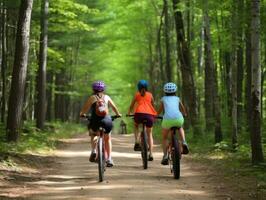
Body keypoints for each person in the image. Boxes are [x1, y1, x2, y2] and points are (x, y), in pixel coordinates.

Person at [80, 81, 122, 167]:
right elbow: (114, 107)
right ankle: (109, 158)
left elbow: (85, 109)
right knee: (108, 138)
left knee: (93, 133)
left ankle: (94, 151)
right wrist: (118, 114)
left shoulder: (92, 98)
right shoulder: (106, 97)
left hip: (95, 121)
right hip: (107, 121)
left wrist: (82, 114)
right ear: (103, 89)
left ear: (93, 89)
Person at [157, 82, 189, 165]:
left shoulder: (163, 99)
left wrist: (156, 115)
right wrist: (185, 114)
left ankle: (165, 156)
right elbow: (182, 108)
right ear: (175, 91)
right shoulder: (177, 98)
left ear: (165, 91)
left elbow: (160, 110)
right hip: (178, 119)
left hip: (167, 120)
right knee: (180, 127)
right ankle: (184, 142)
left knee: (164, 137)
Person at [127, 80, 157, 161]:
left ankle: (137, 140)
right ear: (147, 87)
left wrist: (129, 113)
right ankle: (151, 153)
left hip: (139, 114)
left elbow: (131, 106)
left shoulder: (137, 95)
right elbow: (153, 105)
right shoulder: (150, 95)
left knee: (136, 125)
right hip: (149, 116)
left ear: (138, 88)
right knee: (149, 133)